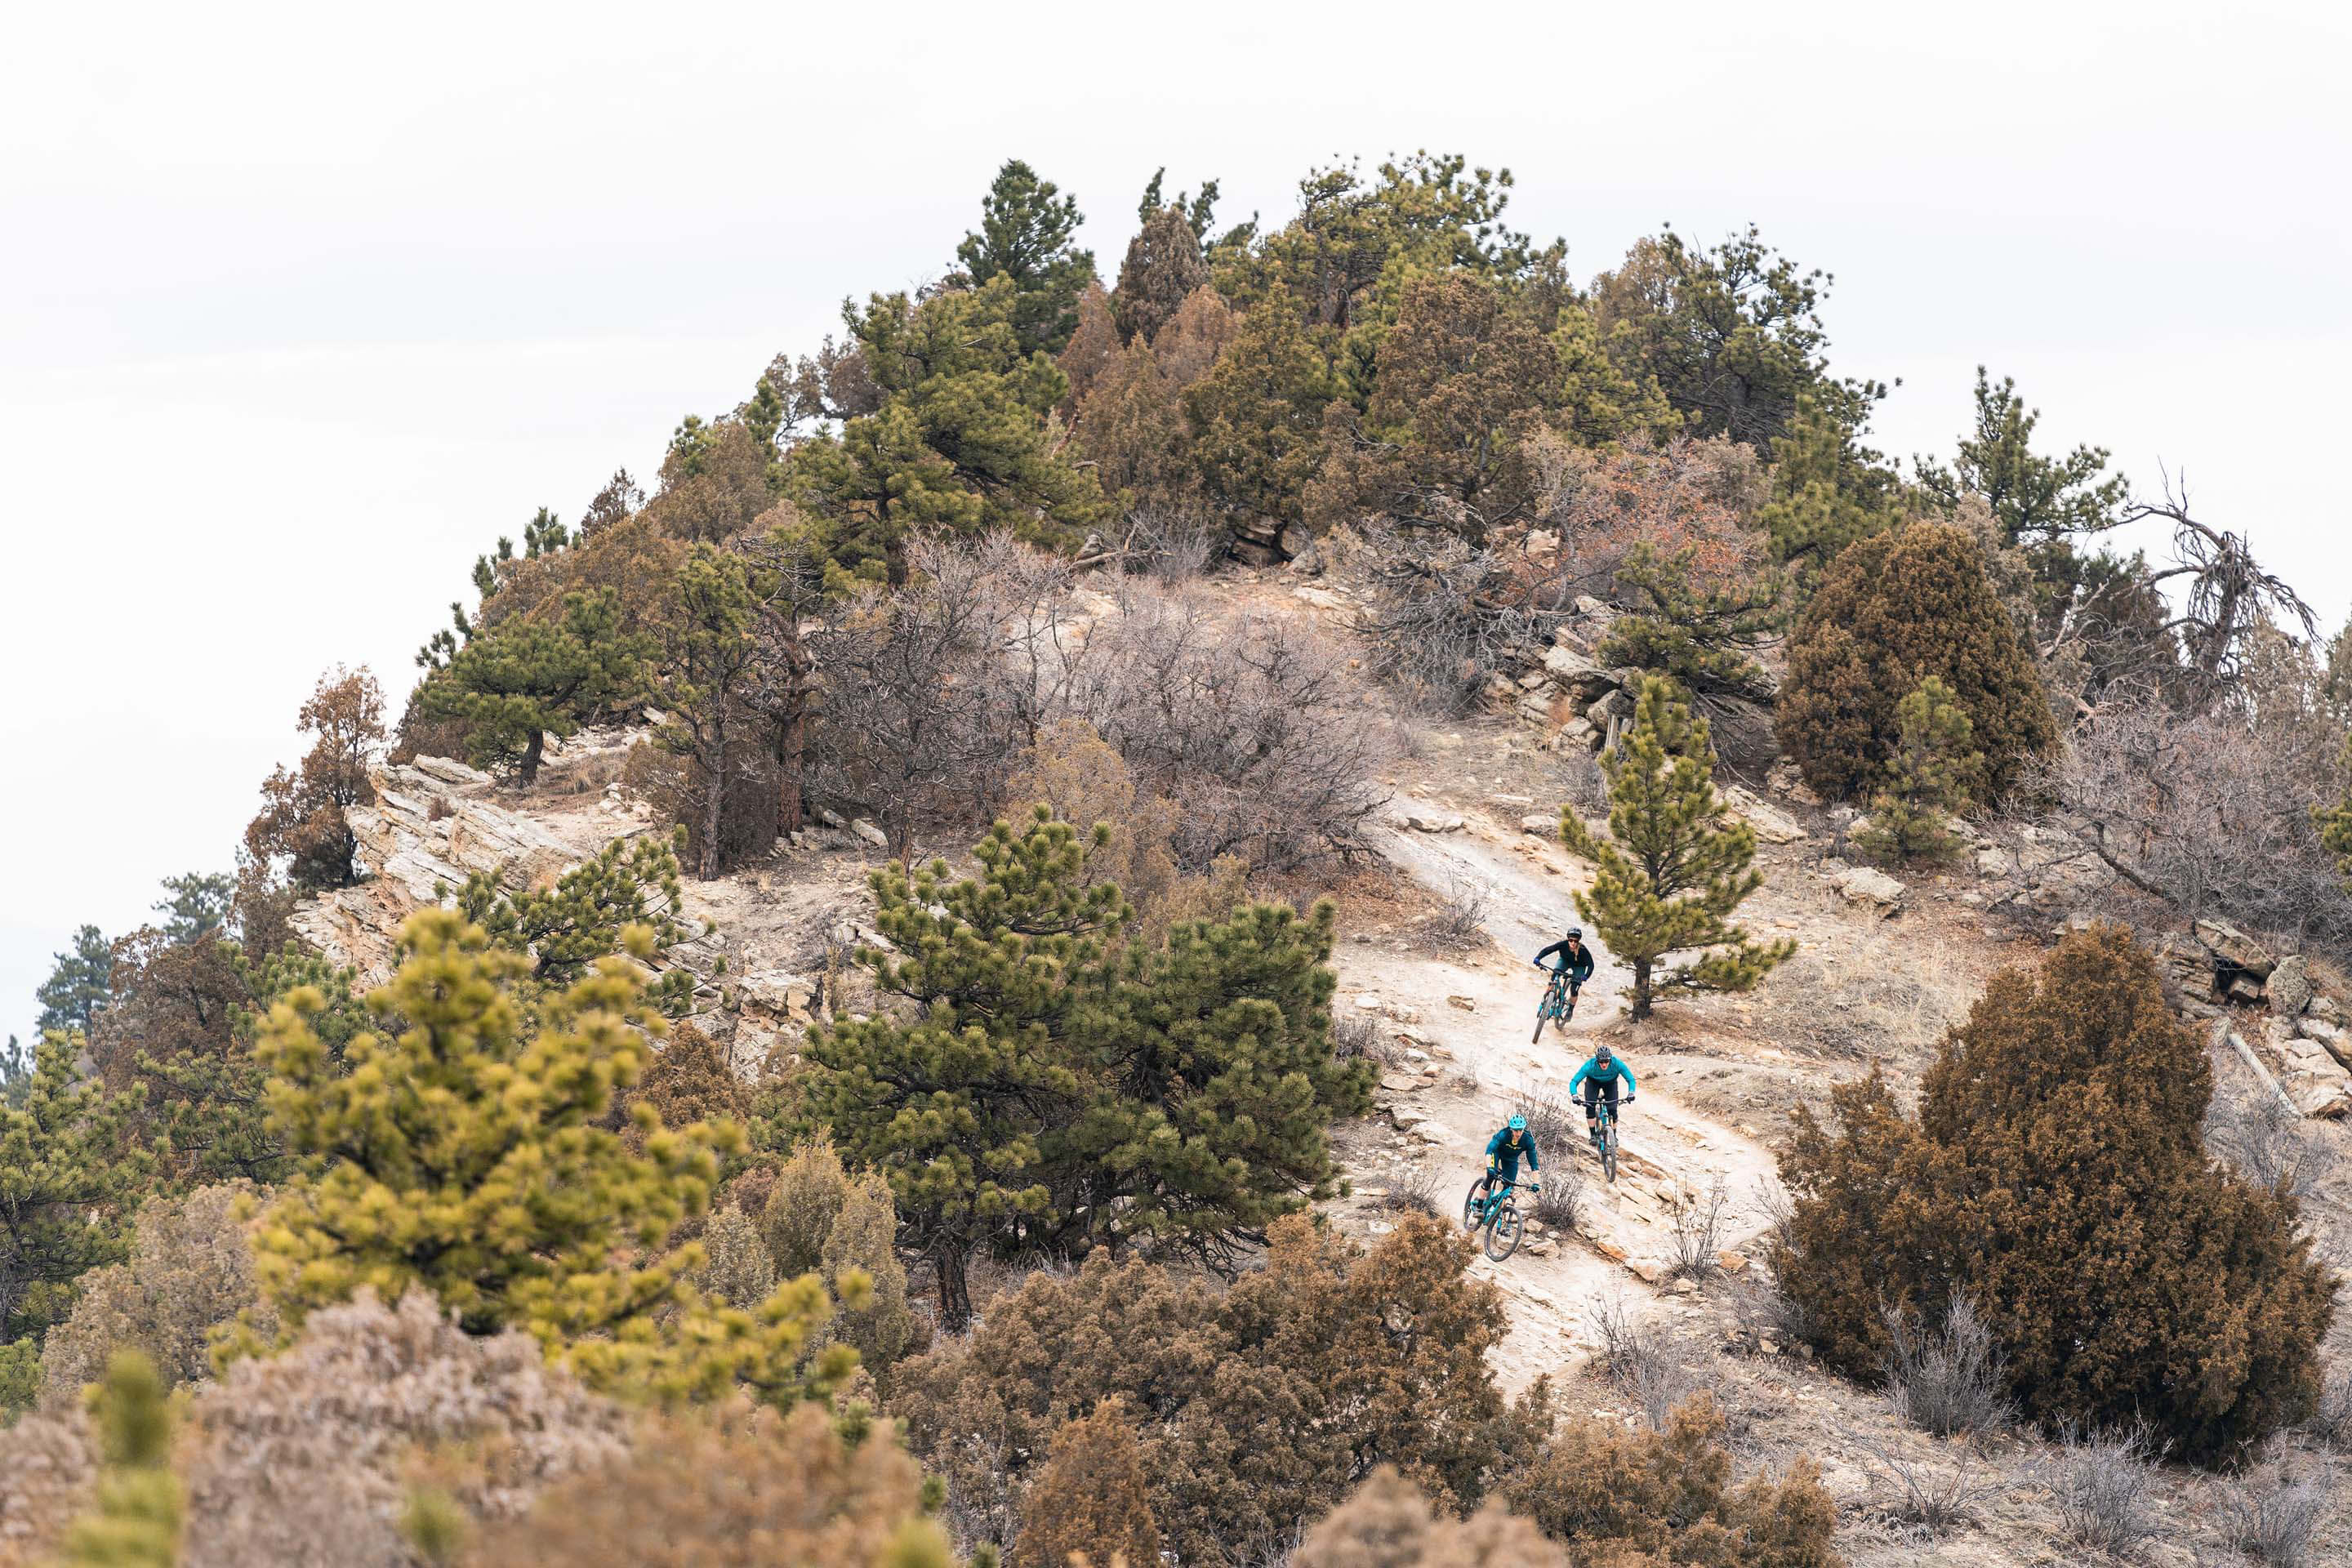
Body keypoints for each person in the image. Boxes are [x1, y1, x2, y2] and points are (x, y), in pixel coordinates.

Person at [1568, 1043, 1636, 1132]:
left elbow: (1631, 1079)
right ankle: (1593, 1135)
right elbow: (1574, 1081)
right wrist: (1574, 1096)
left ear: (1610, 1059)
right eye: (1601, 1062)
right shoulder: (1590, 1066)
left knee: (1613, 1110)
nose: (1604, 1064)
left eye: (1606, 1061)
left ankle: (1613, 1135)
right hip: (1593, 1082)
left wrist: (1631, 1093)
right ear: (1597, 1060)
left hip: (1610, 1083)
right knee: (1590, 1107)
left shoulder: (1617, 1064)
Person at [1482, 1113, 1541, 1199]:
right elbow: (1489, 1151)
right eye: (1516, 1130)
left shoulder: (1528, 1140)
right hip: (1497, 1153)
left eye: (1521, 1130)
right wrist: (1489, 1167)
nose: (1518, 1133)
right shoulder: (1503, 1135)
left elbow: (1534, 1163)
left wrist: (1536, 1183)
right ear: (1511, 1129)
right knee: (1490, 1177)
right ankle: (1479, 1204)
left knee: (1509, 1187)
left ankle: (1501, 1206)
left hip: (1511, 1159)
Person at [1533, 928, 1596, 1006]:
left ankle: (1571, 1009)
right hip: (1564, 961)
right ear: (1568, 939)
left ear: (1578, 941)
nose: (1573, 943)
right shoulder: (1563, 944)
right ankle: (1545, 998)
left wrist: (1586, 976)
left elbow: (1591, 965)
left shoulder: (1583, 950)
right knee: (1555, 976)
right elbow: (1548, 950)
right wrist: (1538, 958)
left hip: (1579, 966)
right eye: (1571, 940)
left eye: (1576, 941)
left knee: (1574, 989)